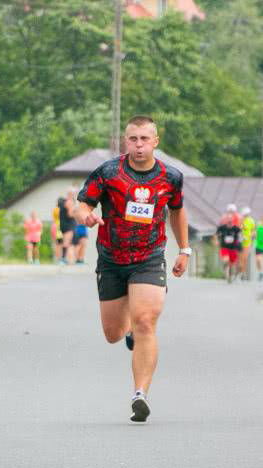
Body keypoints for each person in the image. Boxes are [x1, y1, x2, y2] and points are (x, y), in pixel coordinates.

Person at [74, 115, 189, 424]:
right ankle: (127, 331)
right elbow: (82, 204)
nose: (139, 145)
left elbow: (177, 211)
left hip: (149, 257)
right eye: (133, 139)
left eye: (145, 139)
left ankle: (140, 394)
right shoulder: (109, 172)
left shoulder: (171, 177)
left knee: (145, 322)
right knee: (112, 334)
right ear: (126, 141)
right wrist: (85, 216)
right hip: (111, 259)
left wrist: (184, 249)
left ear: (155, 142)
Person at [216, 205, 242, 283]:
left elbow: (241, 235)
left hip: (233, 247)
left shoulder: (236, 227)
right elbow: (216, 234)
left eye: (231, 219)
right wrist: (216, 240)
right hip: (224, 246)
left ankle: (230, 275)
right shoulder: (222, 226)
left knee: (232, 263)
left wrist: (240, 242)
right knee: (226, 260)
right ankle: (226, 271)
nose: (230, 220)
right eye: (228, 219)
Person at [59, 191, 76, 264]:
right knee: (67, 242)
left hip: (63, 224)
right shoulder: (70, 202)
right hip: (69, 225)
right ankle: (63, 258)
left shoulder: (64, 202)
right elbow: (70, 214)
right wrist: (77, 213)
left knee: (68, 242)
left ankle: (69, 259)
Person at [240, 207, 255, 281]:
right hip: (239, 241)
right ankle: (239, 272)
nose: (246, 215)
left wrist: (251, 236)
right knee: (240, 258)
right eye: (245, 214)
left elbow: (253, 231)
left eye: (247, 214)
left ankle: (243, 273)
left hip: (247, 241)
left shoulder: (251, 221)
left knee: (244, 258)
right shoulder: (240, 220)